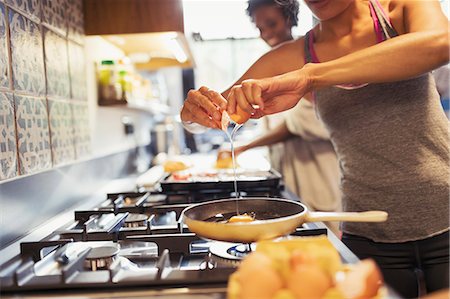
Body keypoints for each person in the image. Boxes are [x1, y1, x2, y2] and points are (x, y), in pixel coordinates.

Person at [181, 0, 450, 297]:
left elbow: (440, 43)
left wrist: (311, 76)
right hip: (368, 233)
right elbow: (216, 113)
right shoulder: (292, 55)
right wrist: (190, 115)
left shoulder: (399, 9)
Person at [236, 0, 342, 235]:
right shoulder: (268, 68)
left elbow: (295, 126)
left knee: (325, 241)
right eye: (260, 28)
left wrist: (244, 147)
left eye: (271, 24)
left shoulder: (312, 58)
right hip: (291, 177)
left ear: (289, 17)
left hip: (319, 175)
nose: (266, 34)